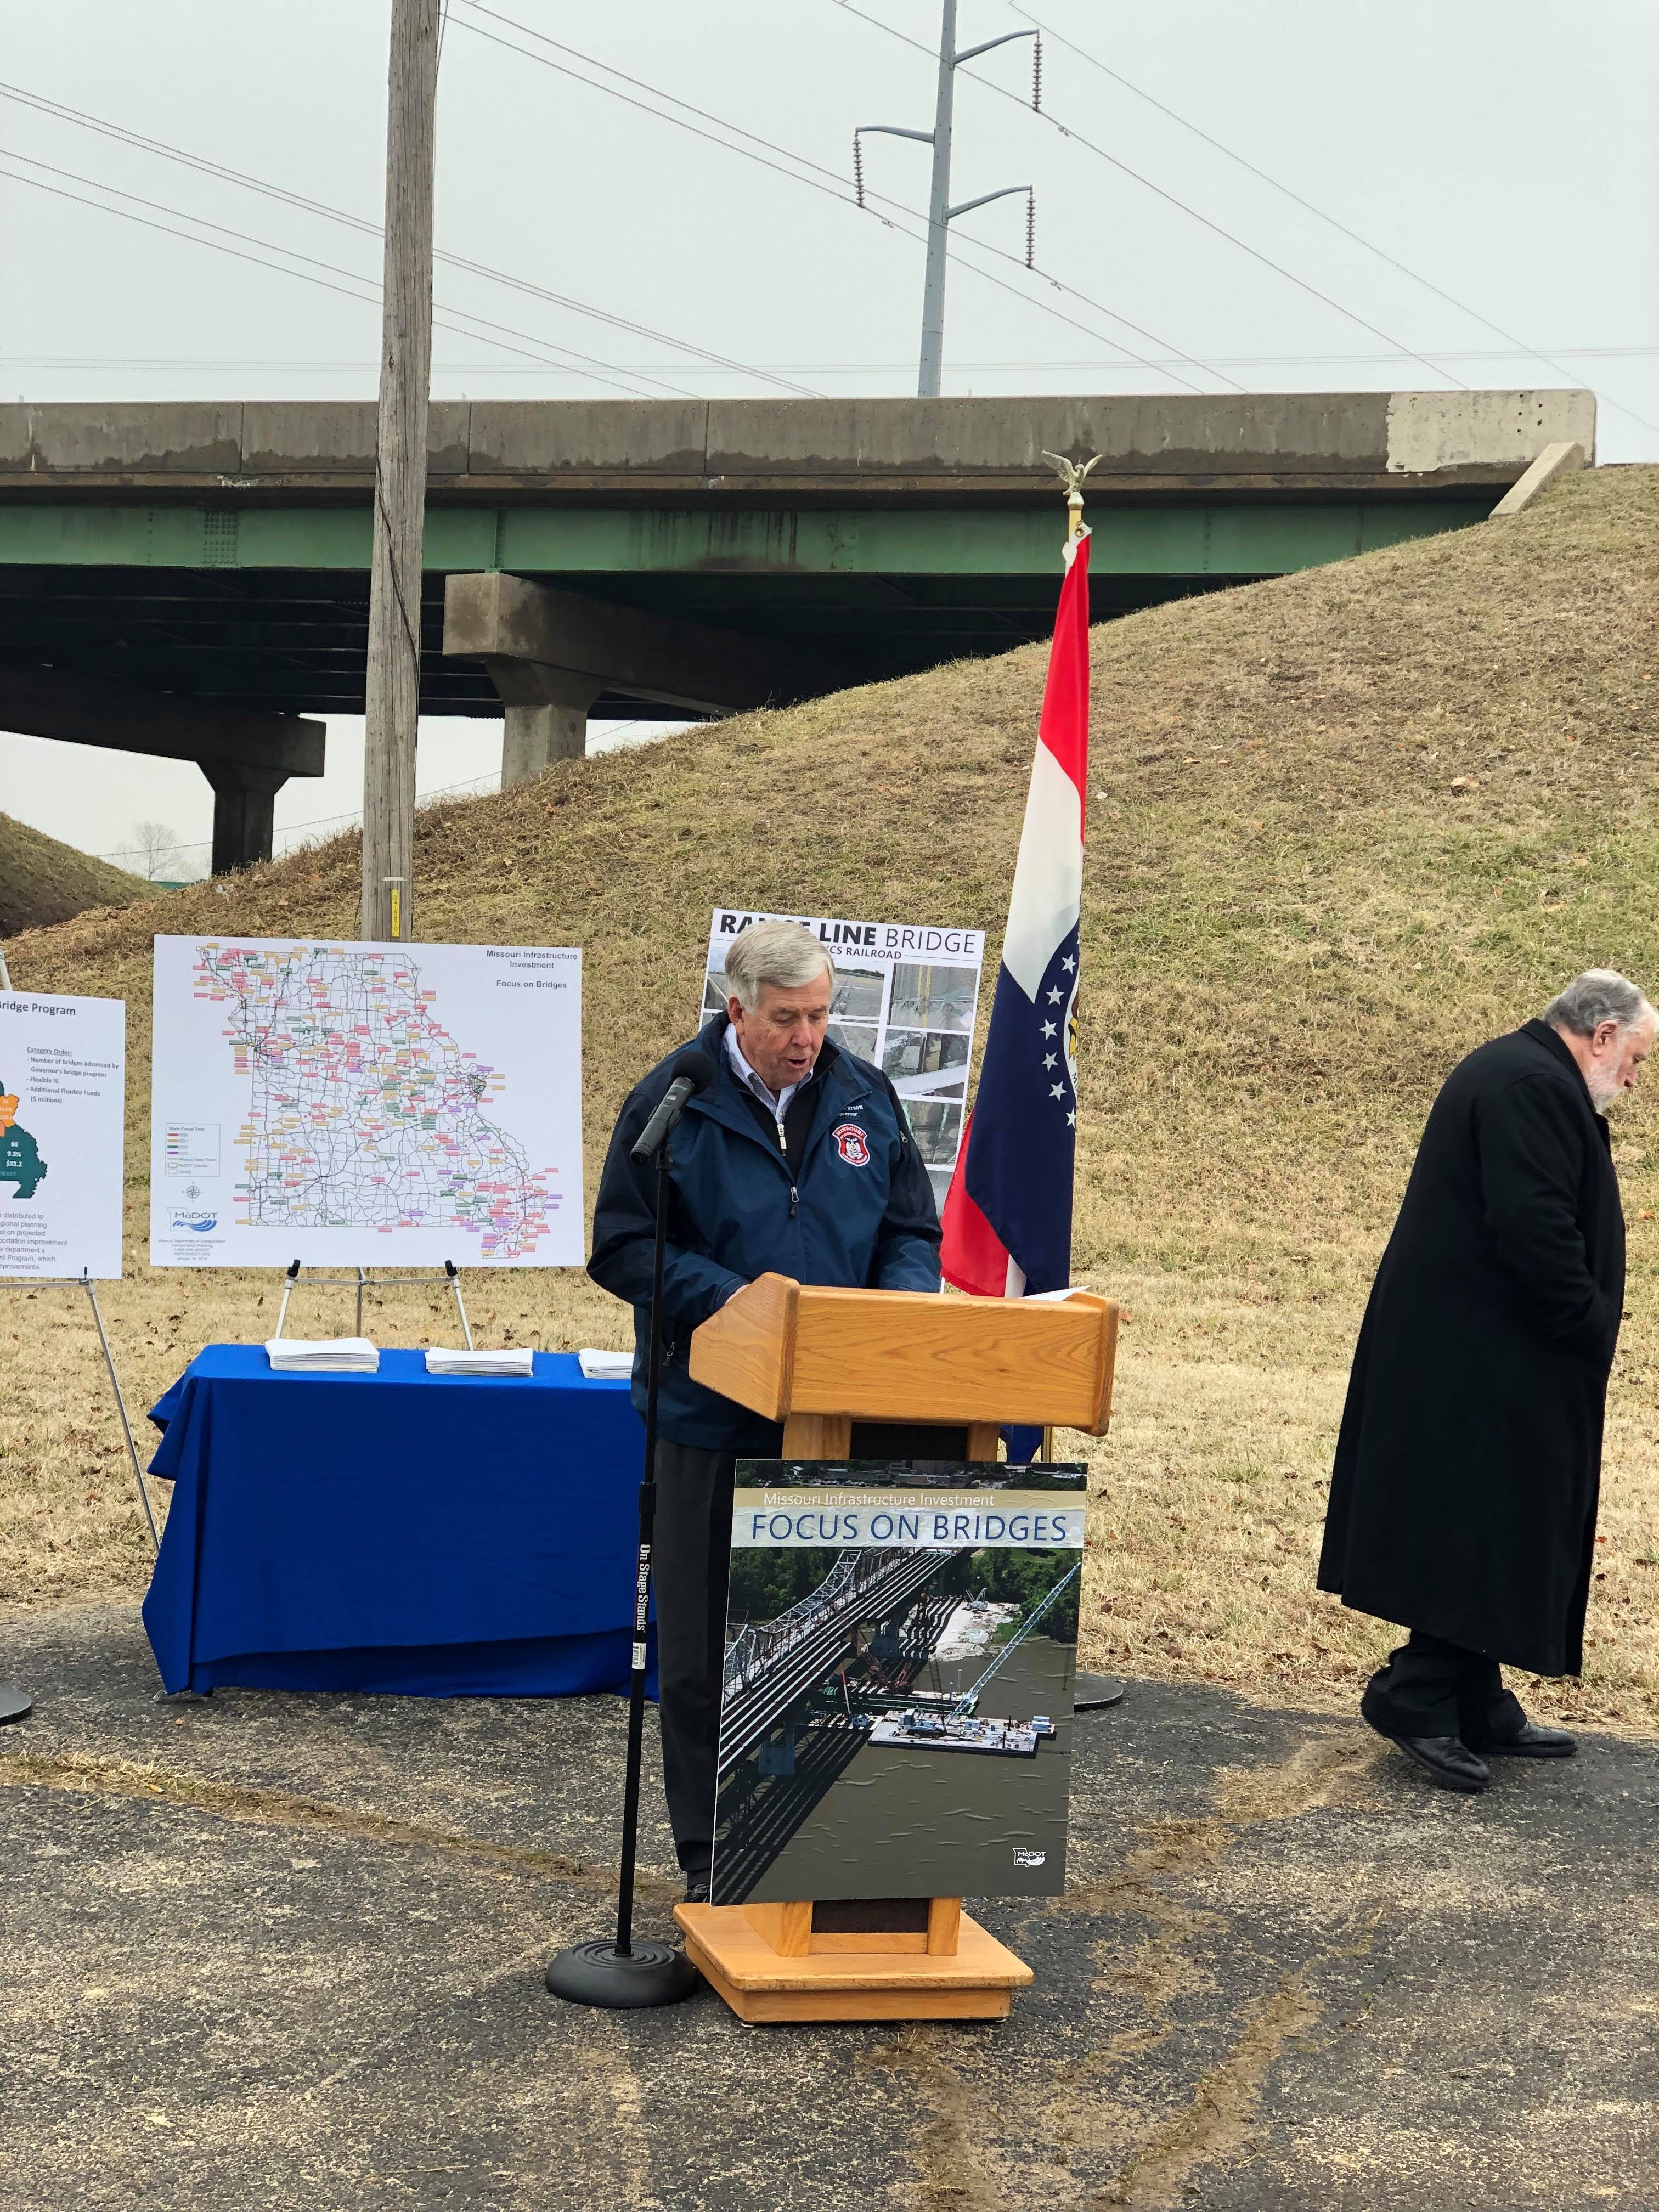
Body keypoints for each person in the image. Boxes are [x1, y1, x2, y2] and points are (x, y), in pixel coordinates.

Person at [588, 919, 943, 1897]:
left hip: (845, 1412)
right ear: (736, 1008)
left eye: (820, 1015)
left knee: (845, 1635)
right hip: (711, 1415)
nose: (807, 1038)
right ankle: (714, 1860)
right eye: (787, 1018)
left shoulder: (865, 1095)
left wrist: (894, 1311)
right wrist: (737, 1305)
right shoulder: (675, 1101)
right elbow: (623, 1247)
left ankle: (837, 1844)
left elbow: (911, 1230)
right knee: (707, 1650)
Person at [1319, 969, 1654, 1792]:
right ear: (1602, 1035)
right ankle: (1415, 1695)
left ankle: (1473, 1696)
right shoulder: (1531, 1086)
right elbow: (1534, 1227)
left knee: (1492, 1523)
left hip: (1482, 1351)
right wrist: (1587, 1321)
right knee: (1478, 1520)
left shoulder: (1520, 1072)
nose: (1635, 1081)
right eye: (1637, 1060)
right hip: (1482, 1358)